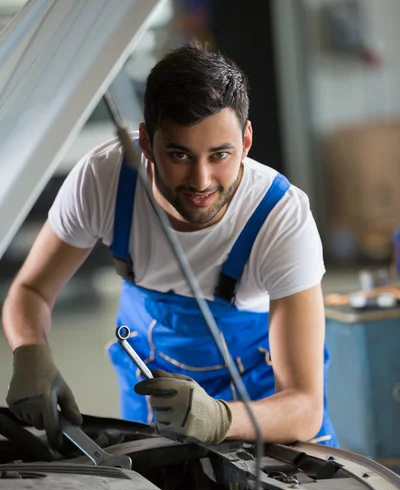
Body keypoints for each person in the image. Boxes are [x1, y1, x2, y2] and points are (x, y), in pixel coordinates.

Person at [2, 42, 338, 450]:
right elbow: (31, 290)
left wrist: (220, 416)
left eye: (220, 155)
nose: (201, 181)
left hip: (264, 411)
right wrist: (30, 352)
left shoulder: (279, 219)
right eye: (179, 154)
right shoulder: (106, 179)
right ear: (145, 141)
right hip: (155, 399)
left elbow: (304, 406)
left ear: (247, 141)